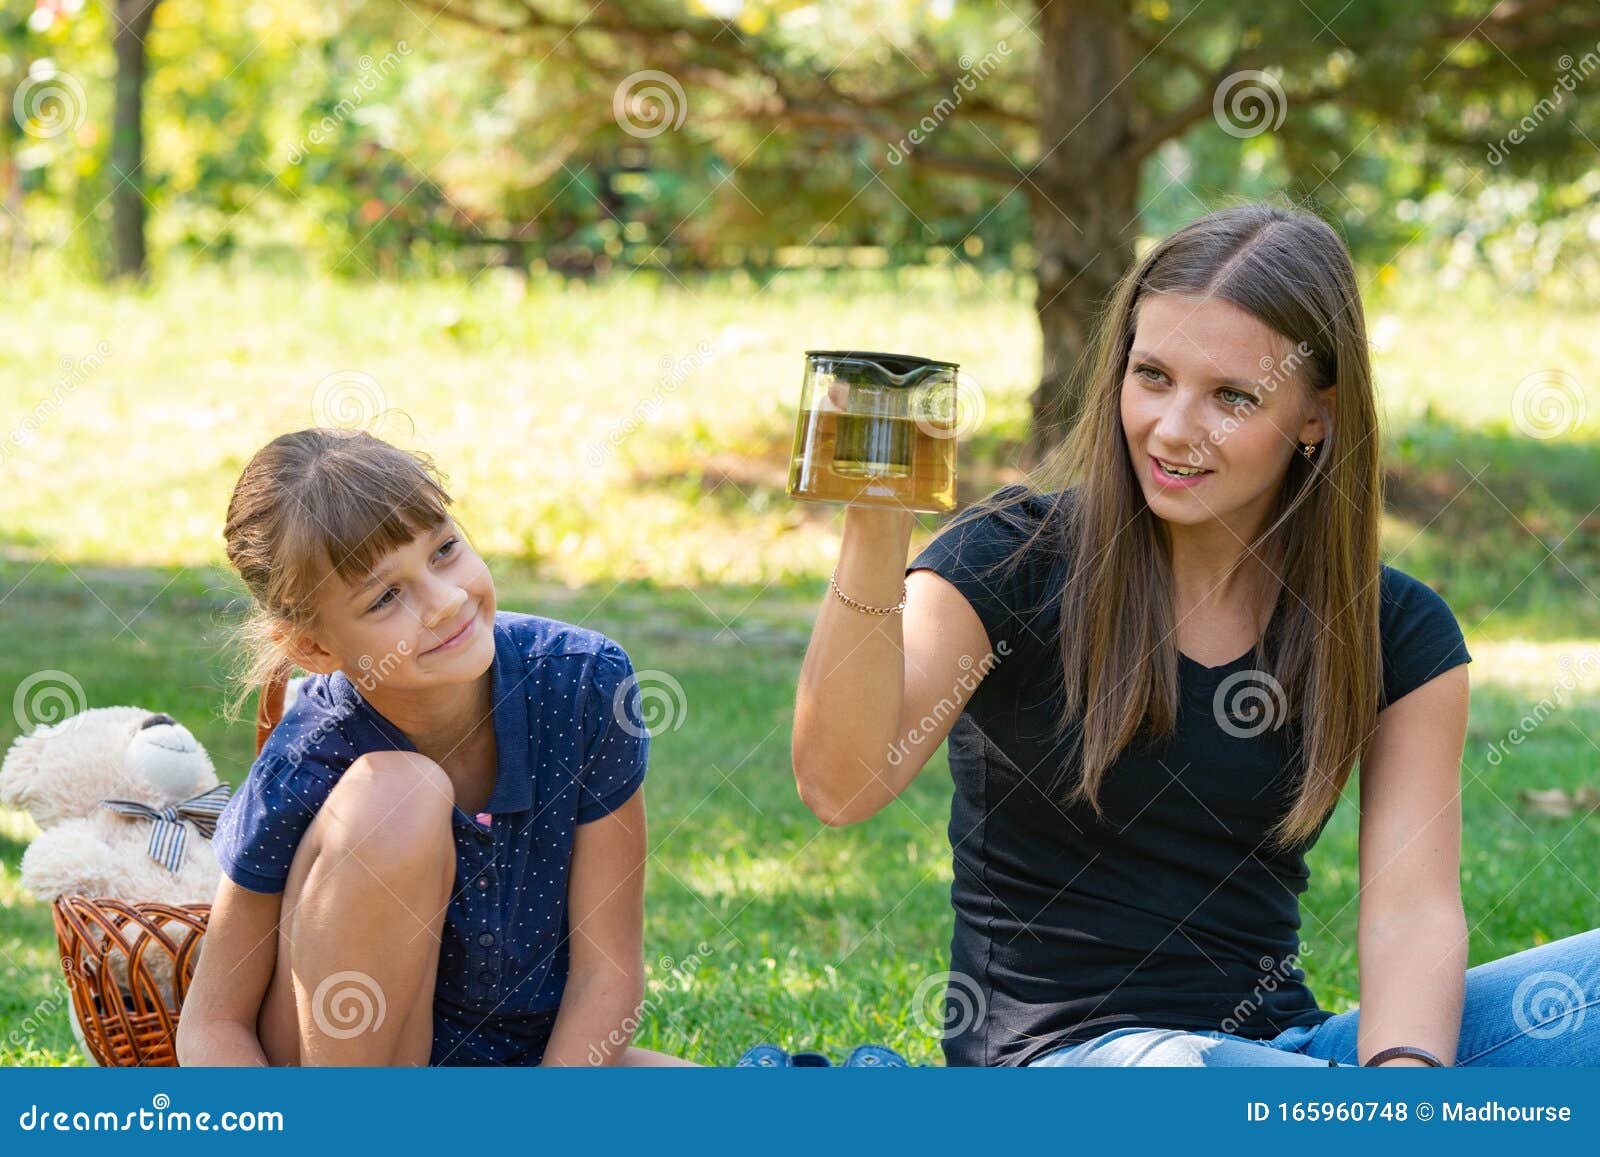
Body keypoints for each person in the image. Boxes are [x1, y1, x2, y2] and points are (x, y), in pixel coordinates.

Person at [791, 202, 1599, 1067]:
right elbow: (842, 785)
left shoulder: (1395, 629)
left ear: (1316, 417)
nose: (1175, 429)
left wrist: (1402, 1087)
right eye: (1153, 377)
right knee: (1185, 1071)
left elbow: (1412, 909)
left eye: (1232, 396)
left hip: (1284, 1053)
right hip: (1073, 1069)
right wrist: (876, 526)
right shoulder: (1009, 562)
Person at [177, 428, 692, 1067]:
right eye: (386, 596)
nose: (446, 603)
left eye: (444, 550)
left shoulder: (584, 685)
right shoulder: (308, 755)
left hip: (522, 1065)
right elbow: (212, 1024)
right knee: (401, 797)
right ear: (312, 648)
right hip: (341, 1071)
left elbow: (606, 978)